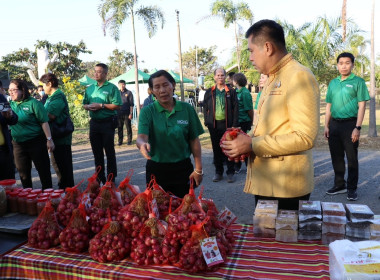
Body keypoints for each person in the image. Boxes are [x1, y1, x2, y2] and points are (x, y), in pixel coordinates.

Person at [221, 19, 320, 210]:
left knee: (282, 239)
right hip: (268, 180)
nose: (250, 57)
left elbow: (305, 137)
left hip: (287, 187)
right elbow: (270, 126)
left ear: (267, 47)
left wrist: (252, 144)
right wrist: (244, 140)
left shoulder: (298, 76)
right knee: (266, 237)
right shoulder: (273, 77)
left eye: (251, 50)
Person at [136, 70, 204, 198]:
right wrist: (142, 144)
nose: (162, 90)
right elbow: (141, 137)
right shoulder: (147, 112)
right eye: (157, 87)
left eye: (165, 85)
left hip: (183, 169)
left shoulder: (187, 109)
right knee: (157, 210)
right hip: (156, 170)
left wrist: (198, 169)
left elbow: (194, 140)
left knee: (184, 211)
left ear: (173, 85)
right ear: (152, 91)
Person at [324, 52, 370, 201]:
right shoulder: (333, 83)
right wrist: (326, 125)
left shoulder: (358, 82)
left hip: (350, 124)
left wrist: (358, 128)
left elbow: (362, 106)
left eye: (347, 63)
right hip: (334, 124)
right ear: (337, 65)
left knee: (351, 158)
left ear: (352, 65)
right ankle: (339, 185)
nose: (344, 66)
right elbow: (329, 105)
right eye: (341, 63)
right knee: (336, 157)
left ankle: (351, 188)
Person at [8, 79, 54, 189]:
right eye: (9, 90)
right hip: (18, 144)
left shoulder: (34, 103)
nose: (11, 92)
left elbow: (44, 122)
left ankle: (48, 197)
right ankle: (28, 199)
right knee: (23, 174)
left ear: (22, 90)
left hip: (36, 142)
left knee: (43, 171)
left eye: (14, 90)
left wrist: (49, 139)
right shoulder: (9, 105)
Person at [83, 63, 122, 184]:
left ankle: (111, 178)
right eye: (95, 71)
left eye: (99, 71)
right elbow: (84, 104)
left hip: (107, 123)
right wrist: (88, 107)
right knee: (97, 152)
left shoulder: (112, 88)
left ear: (105, 74)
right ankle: (100, 178)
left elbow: (117, 106)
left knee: (109, 151)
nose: (96, 73)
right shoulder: (89, 89)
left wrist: (101, 105)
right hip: (94, 123)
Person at [203, 68, 239, 183]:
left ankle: (230, 172)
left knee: (229, 148)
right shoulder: (210, 92)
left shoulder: (231, 91)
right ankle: (218, 172)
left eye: (222, 75)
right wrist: (207, 122)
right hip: (214, 125)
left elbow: (236, 109)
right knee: (216, 149)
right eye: (218, 75)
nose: (220, 77)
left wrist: (234, 125)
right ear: (214, 77)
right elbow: (205, 108)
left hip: (228, 125)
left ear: (225, 77)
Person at [40, 73, 75, 189]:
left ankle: (68, 190)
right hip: (55, 136)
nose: (42, 88)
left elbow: (51, 115)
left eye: (43, 85)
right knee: (57, 165)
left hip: (61, 137)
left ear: (49, 84)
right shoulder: (50, 97)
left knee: (64, 166)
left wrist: (38, 113)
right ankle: (64, 188)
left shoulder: (58, 96)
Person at [232, 73, 253, 174]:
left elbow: (249, 109)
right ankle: (237, 165)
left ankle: (248, 165)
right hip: (236, 121)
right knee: (236, 143)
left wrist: (251, 122)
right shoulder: (235, 91)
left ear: (236, 81)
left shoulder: (245, 93)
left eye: (233, 79)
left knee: (245, 143)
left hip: (245, 121)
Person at [0, 93, 18, 180]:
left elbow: (14, 119)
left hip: (4, 150)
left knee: (8, 183)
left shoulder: (0, 97)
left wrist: (10, 116)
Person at [117, 80, 134, 146]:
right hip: (119, 113)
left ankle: (129, 140)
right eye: (121, 84)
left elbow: (131, 104)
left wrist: (131, 113)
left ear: (125, 85)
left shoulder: (129, 93)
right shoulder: (117, 93)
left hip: (127, 113)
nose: (122, 86)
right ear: (118, 85)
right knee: (119, 127)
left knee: (128, 127)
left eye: (123, 84)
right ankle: (120, 141)